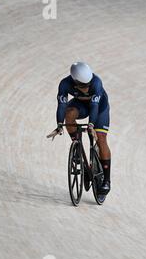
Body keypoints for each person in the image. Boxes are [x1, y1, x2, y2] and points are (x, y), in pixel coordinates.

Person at [47, 62, 111, 195]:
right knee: (68, 114)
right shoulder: (64, 84)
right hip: (80, 105)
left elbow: (94, 106)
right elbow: (62, 105)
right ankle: (77, 145)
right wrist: (59, 125)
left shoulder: (96, 83)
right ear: (74, 81)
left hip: (99, 108)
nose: (87, 88)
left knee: (101, 138)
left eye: (88, 85)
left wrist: (91, 125)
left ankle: (106, 180)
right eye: (83, 86)